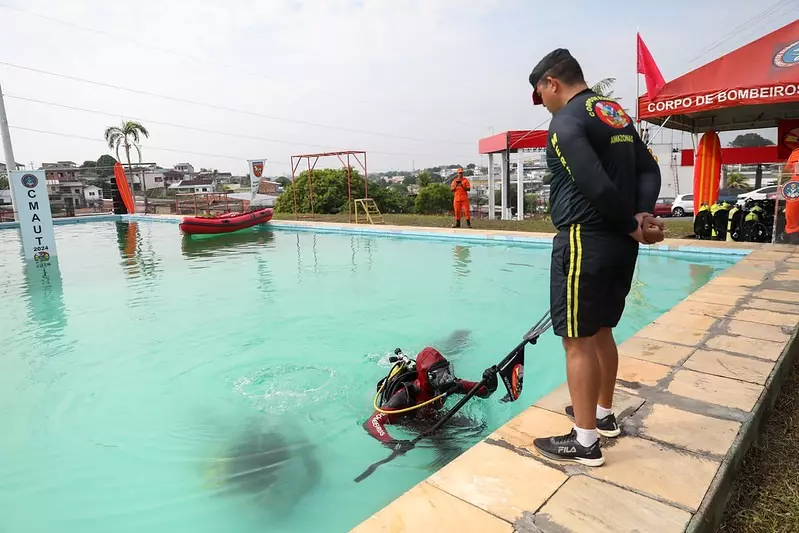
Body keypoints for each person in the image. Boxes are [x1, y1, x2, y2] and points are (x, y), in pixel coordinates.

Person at [527, 48, 663, 466]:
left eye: (540, 93)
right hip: (619, 245)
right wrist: (640, 215)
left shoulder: (566, 120)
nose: (543, 103)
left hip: (585, 239)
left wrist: (630, 224)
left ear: (552, 82)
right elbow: (649, 170)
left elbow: (594, 185)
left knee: (577, 339)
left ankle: (584, 442)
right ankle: (603, 416)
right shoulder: (613, 113)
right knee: (602, 330)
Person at [363, 346, 497, 449]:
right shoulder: (405, 395)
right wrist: (391, 442)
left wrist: (490, 384)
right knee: (448, 445)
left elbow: (483, 392)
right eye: (438, 375)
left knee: (476, 428)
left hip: (432, 416)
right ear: (427, 377)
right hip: (411, 421)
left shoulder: (449, 384)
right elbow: (372, 423)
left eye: (446, 371)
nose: (445, 378)